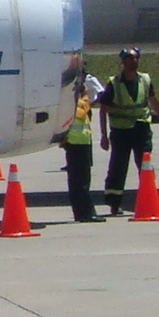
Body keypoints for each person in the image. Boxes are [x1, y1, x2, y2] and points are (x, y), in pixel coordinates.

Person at [99, 48, 159, 216]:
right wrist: (104, 136)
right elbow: (103, 109)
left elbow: (154, 102)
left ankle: (151, 197)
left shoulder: (145, 80)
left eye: (136, 58)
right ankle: (114, 202)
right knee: (118, 167)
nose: (134, 61)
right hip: (121, 131)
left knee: (145, 165)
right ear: (123, 61)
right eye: (130, 58)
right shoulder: (114, 83)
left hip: (141, 129)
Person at [61, 77, 104, 223]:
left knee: (82, 180)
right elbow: (82, 110)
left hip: (82, 143)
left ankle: (82, 212)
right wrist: (85, 96)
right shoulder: (74, 103)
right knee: (80, 182)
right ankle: (86, 213)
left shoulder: (73, 102)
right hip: (76, 144)